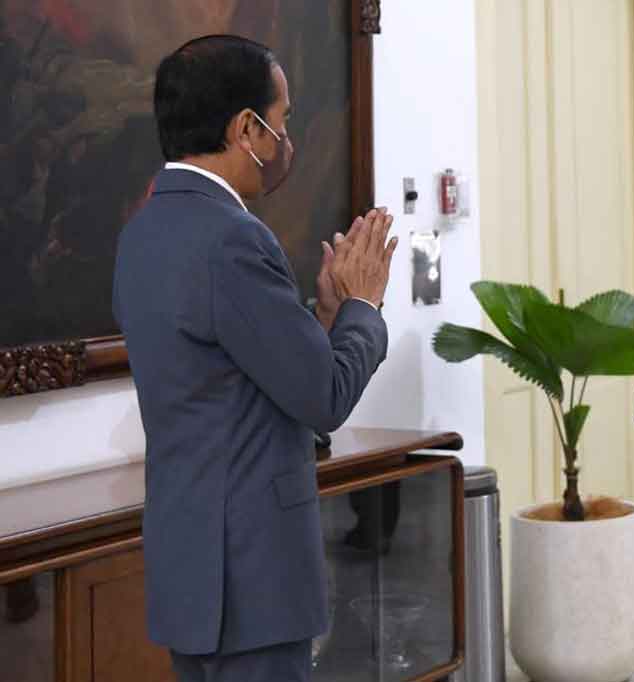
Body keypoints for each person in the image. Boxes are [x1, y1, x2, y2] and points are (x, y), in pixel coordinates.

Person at [113, 35, 397, 682]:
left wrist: (323, 321)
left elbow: (242, 379)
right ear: (247, 127)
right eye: (284, 120)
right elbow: (324, 398)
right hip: (251, 575)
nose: (285, 140)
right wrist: (365, 307)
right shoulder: (233, 238)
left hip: (191, 569)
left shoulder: (142, 233)